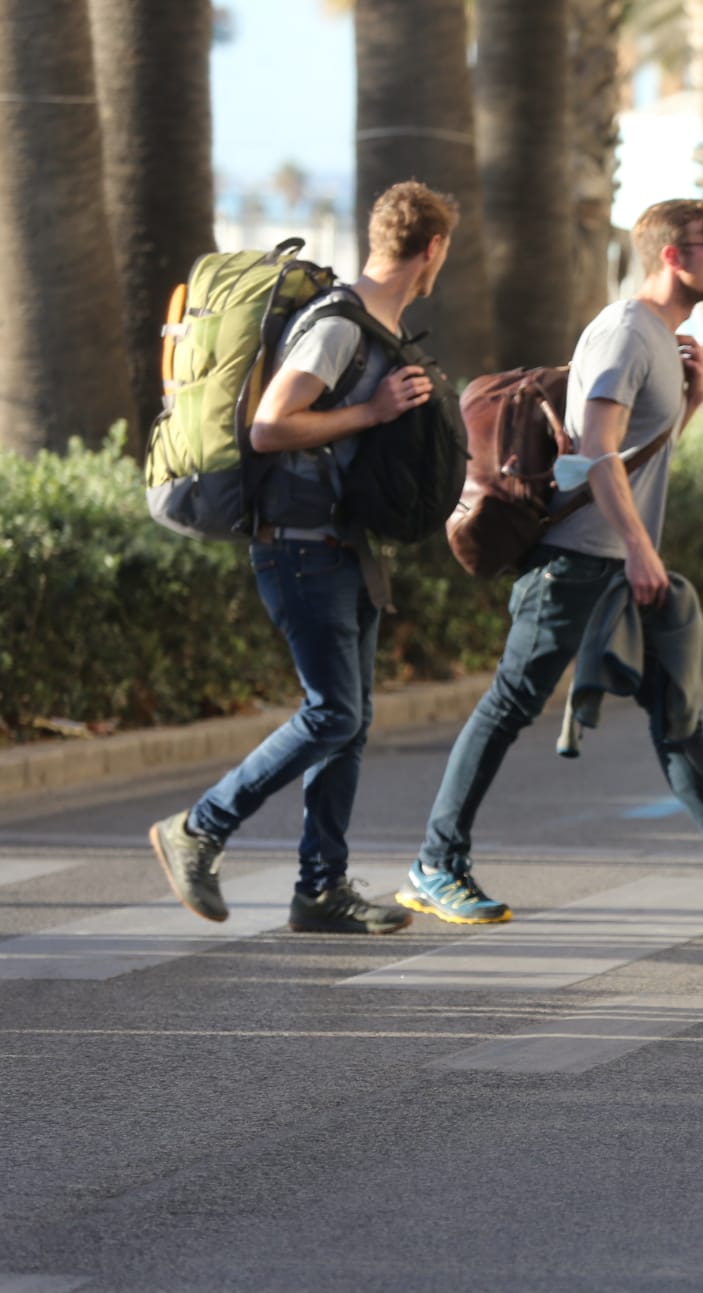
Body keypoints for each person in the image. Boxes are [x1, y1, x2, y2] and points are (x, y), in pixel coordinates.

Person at [396, 199, 703, 928]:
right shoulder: (626, 333)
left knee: (677, 713)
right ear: (673, 256)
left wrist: (690, 403)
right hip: (578, 565)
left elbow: (631, 455)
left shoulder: (659, 340)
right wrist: (641, 549)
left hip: (621, 565)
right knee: (509, 705)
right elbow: (592, 451)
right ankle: (434, 863)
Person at [148, 180, 457, 935]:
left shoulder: (380, 327)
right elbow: (268, 426)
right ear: (433, 250)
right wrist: (372, 410)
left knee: (349, 722)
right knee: (332, 711)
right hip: (297, 545)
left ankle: (320, 889)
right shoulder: (340, 323)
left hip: (345, 545)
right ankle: (200, 826)